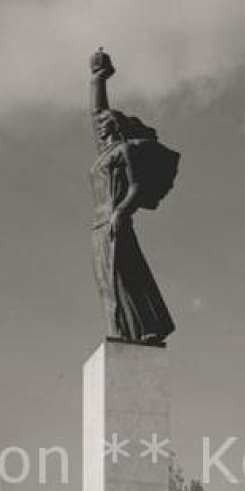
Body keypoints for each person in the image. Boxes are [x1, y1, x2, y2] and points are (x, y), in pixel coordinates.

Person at [89, 48, 179, 345]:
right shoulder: (103, 153)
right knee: (108, 285)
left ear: (115, 126)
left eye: (105, 124)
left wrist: (121, 212)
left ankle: (144, 329)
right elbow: (96, 111)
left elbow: (136, 187)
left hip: (116, 218)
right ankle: (120, 332)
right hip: (99, 225)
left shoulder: (125, 150)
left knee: (125, 277)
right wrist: (97, 80)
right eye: (98, 125)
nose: (99, 127)